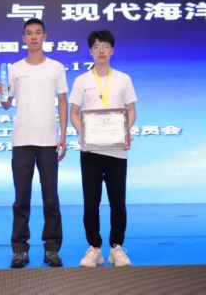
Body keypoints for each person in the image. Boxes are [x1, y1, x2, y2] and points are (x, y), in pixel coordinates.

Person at [0, 18, 68, 268]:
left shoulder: (56, 67)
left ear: (45, 37)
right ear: (23, 38)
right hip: (22, 140)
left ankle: (52, 248)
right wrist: (1, 94)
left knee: (51, 198)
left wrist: (63, 135)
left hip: (48, 140)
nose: (34, 37)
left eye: (38, 32)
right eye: (29, 33)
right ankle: (20, 249)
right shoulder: (14, 68)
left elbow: (62, 101)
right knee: (21, 198)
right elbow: (6, 103)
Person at [69, 30, 137, 267]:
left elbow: (131, 110)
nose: (101, 50)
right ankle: (94, 248)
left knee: (118, 202)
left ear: (112, 50)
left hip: (117, 150)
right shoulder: (81, 81)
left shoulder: (123, 79)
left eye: (105, 46)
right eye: (97, 46)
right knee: (91, 202)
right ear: (90, 51)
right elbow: (74, 113)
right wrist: (84, 134)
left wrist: (125, 131)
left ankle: (116, 247)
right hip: (91, 152)